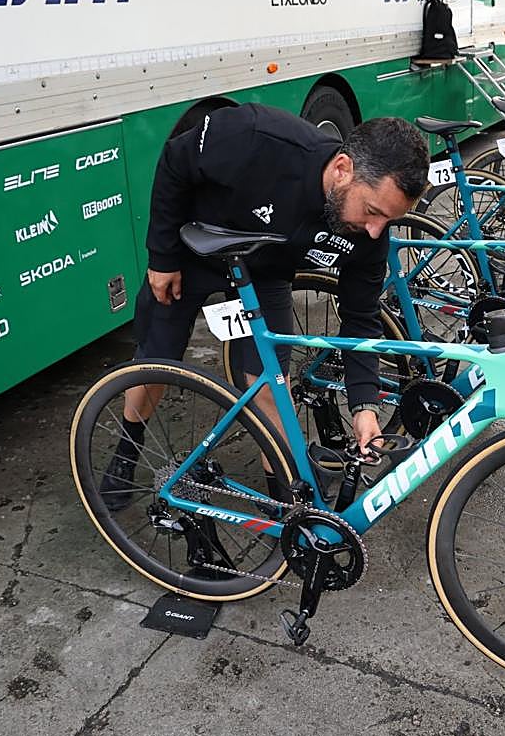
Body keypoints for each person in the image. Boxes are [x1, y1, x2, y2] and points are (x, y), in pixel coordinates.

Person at [103, 104, 429, 511]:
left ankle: (286, 503)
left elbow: (360, 318)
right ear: (342, 169)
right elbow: (176, 161)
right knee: (157, 360)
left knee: (271, 385)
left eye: (389, 221)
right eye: (373, 212)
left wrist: (364, 406)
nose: (376, 230)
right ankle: (127, 451)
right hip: (191, 252)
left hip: (263, 272)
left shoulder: (369, 232)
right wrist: (162, 257)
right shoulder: (257, 136)